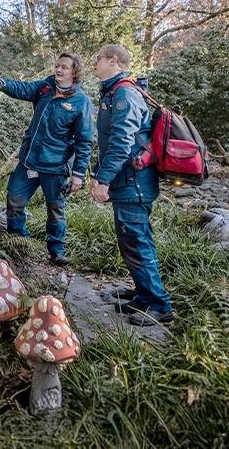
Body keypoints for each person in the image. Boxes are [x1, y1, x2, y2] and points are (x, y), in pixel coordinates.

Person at [0, 54, 94, 266]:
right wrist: (0, 83)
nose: (59, 70)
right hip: (29, 162)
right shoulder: (45, 88)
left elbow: (84, 141)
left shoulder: (81, 102)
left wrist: (78, 174)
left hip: (56, 167)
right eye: (57, 65)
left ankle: (57, 251)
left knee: (55, 209)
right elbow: (22, 88)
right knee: (14, 201)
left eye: (64, 67)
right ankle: (19, 244)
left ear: (75, 71)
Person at [89, 44, 173, 325]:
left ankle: (159, 306)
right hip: (128, 181)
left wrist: (104, 180)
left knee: (137, 242)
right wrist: (99, 174)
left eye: (98, 58)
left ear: (113, 60)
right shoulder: (115, 91)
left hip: (134, 182)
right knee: (132, 241)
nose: (95, 63)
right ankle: (144, 295)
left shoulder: (124, 92)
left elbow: (122, 142)